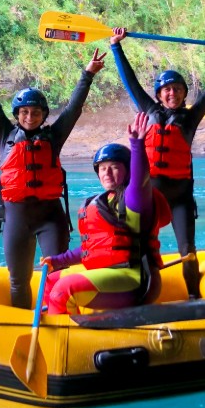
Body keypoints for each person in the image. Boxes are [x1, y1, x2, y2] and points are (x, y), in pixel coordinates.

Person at [0, 38, 106, 309]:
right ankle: (21, 320)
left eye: (36, 112)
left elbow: (73, 109)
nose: (30, 117)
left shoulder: (54, 137)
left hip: (50, 216)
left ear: (43, 115)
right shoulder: (5, 135)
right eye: (25, 112)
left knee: (56, 274)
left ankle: (58, 317)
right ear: (17, 114)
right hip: (16, 217)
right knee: (18, 280)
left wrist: (88, 74)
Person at [109, 27, 205, 299]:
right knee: (138, 245)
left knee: (187, 249)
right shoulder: (149, 110)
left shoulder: (191, 118)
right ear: (158, 94)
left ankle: (193, 297)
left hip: (180, 197)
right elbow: (131, 83)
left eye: (177, 90)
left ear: (184, 94)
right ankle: (136, 293)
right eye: (167, 90)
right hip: (150, 195)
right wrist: (116, 46)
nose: (172, 94)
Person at [41, 112, 171, 314]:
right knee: (51, 280)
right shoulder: (102, 202)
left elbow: (140, 179)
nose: (107, 173)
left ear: (128, 171)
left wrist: (137, 144)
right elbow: (93, 248)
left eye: (114, 168)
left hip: (136, 278)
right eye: (102, 169)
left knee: (63, 289)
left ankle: (66, 333)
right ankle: (61, 321)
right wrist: (57, 261)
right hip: (109, 273)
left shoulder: (135, 198)